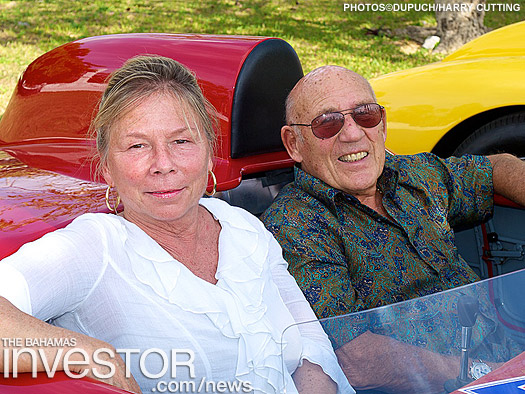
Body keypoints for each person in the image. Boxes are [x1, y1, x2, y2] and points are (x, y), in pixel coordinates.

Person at [0, 56, 353, 394]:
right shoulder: (95, 247)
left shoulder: (242, 227)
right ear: (106, 165)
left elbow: (309, 343)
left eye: (181, 141)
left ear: (209, 149)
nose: (163, 164)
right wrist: (86, 352)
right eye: (137, 145)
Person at [261, 65, 525, 392]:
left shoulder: (415, 175)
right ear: (294, 144)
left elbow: (496, 168)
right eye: (327, 123)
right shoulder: (293, 226)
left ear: (382, 124)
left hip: (509, 358)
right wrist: (482, 372)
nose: (353, 133)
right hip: (441, 384)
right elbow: (356, 358)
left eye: (366, 115)